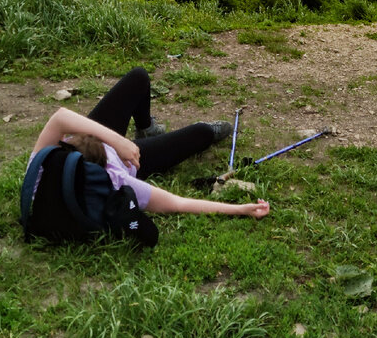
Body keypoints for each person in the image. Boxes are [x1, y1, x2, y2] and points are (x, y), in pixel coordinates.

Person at [24, 66, 269, 245]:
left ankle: (146, 127)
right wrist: (241, 209)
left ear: (64, 149)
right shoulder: (116, 182)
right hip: (134, 158)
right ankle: (183, 134)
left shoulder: (43, 166)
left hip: (113, 148)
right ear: (104, 170)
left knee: (138, 78)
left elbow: (60, 118)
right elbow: (178, 203)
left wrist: (115, 140)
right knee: (201, 132)